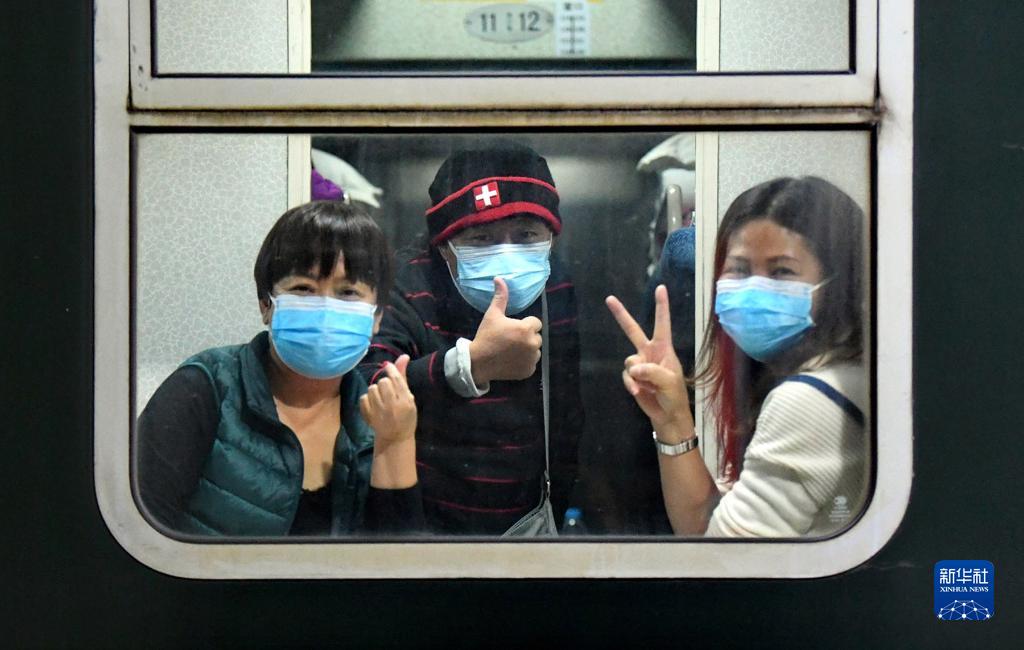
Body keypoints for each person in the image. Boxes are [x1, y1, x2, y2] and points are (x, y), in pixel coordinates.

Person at [137, 201, 423, 536]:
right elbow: (137, 533)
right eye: (303, 288)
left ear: (377, 317)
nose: (325, 308)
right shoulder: (204, 388)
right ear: (266, 305)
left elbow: (396, 557)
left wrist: (395, 440)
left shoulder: (378, 415)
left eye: (348, 292)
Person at [606, 176, 868, 537]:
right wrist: (673, 418)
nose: (753, 290)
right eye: (740, 270)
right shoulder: (843, 372)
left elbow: (723, 558)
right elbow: (703, 527)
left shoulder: (807, 399)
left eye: (782, 271)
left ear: (838, 285)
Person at [359, 143, 583, 535]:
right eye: (482, 238)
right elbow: (365, 386)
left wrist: (556, 512)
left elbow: (567, 413)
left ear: (551, 237)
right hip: (422, 523)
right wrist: (469, 365)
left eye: (527, 234)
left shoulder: (554, 287)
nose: (507, 256)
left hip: (529, 522)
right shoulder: (407, 284)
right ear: (443, 245)